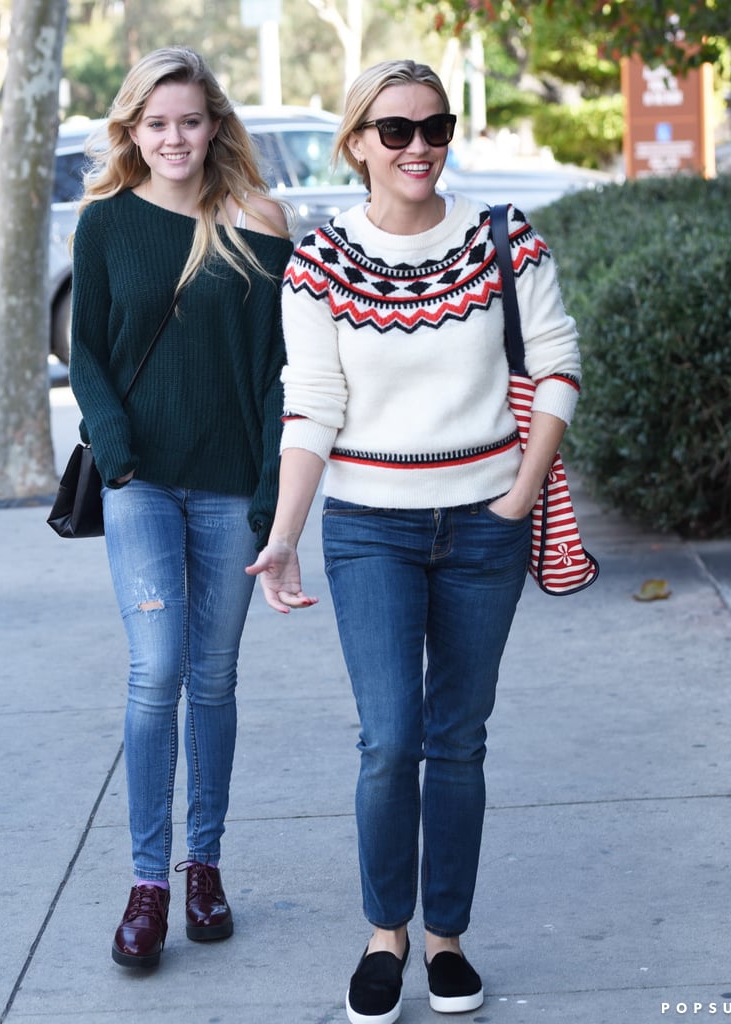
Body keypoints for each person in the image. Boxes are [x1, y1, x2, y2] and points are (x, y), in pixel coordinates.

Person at [246, 59, 582, 1024]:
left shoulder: (501, 239)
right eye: (394, 131)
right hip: (369, 531)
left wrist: (519, 495)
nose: (418, 148)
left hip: (485, 525)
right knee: (390, 738)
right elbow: (310, 407)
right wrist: (285, 535)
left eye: (433, 127)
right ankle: (383, 934)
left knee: (458, 740)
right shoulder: (318, 262)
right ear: (357, 143)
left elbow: (556, 366)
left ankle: (444, 941)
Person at [68, 46, 293, 972]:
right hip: (143, 485)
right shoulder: (106, 223)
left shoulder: (255, 219)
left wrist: (278, 492)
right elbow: (85, 354)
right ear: (131, 130)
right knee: (156, 668)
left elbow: (283, 371)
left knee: (216, 679)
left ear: (214, 124)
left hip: (234, 486)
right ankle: (147, 883)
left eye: (189, 120)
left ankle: (205, 866)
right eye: (155, 123)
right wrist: (117, 454)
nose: (174, 138)